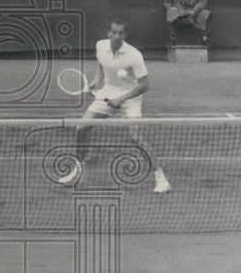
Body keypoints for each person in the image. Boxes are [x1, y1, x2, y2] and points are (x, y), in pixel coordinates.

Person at [56, 19, 171, 194]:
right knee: (81, 128)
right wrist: (95, 82)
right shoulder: (100, 46)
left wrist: (120, 100)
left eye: (121, 33)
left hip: (131, 97)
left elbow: (144, 85)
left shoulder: (134, 55)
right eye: (114, 32)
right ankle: (77, 171)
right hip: (106, 93)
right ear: (108, 33)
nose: (117, 36)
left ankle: (161, 178)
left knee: (135, 136)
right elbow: (101, 66)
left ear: (125, 35)